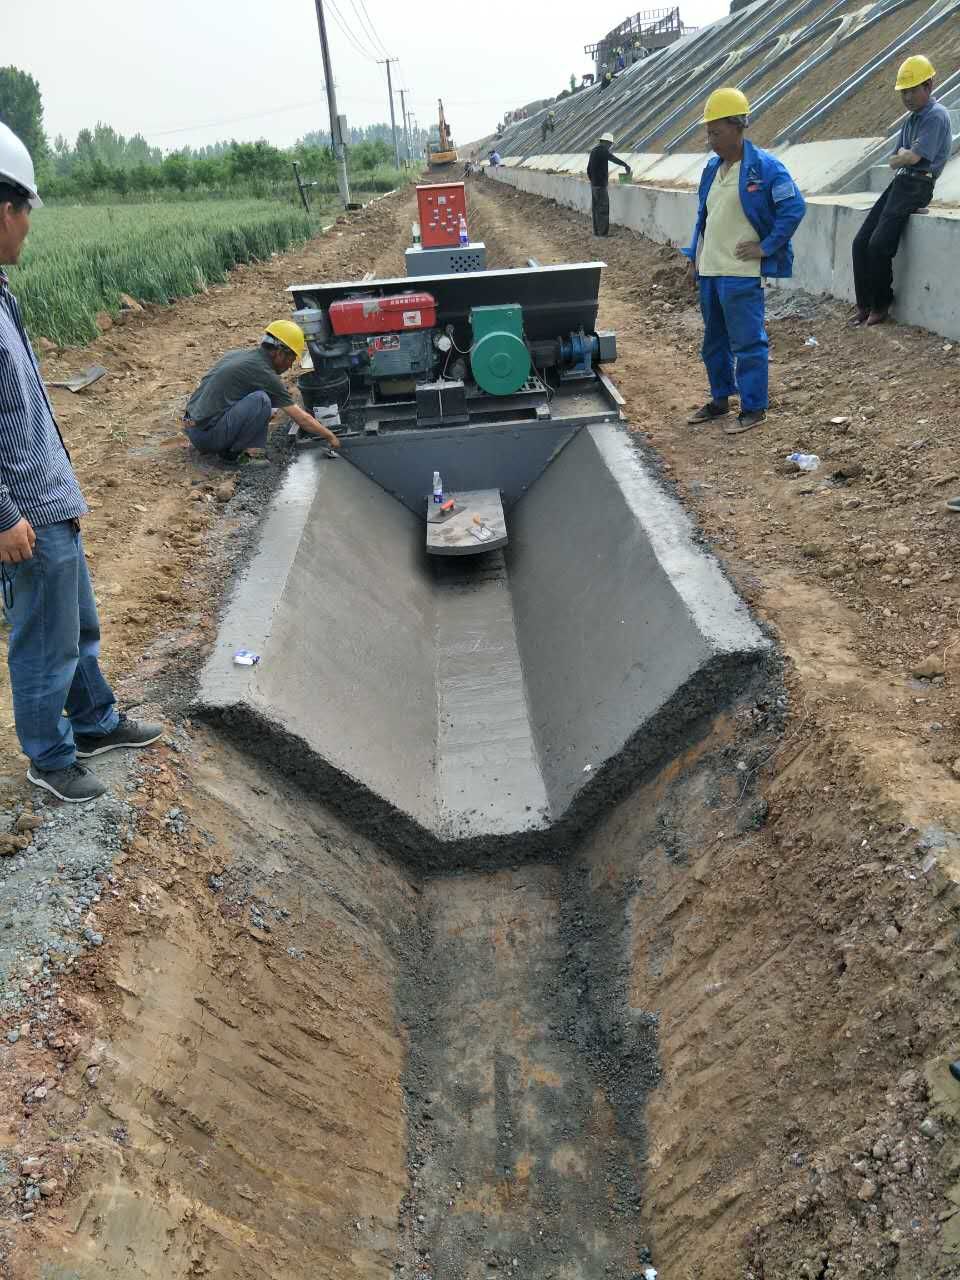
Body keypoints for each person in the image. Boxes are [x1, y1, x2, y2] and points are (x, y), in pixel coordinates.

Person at [0, 123, 162, 803]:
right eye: (26, 209)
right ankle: (49, 757)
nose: (30, 225)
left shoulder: (1, 295)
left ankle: (93, 721)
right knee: (45, 641)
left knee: (76, 625)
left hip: (50, 502)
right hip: (23, 515)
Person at [683, 88, 806, 434]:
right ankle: (720, 399)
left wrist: (766, 247)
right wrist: (694, 257)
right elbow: (703, 217)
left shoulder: (765, 168)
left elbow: (794, 208)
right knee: (714, 342)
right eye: (708, 133)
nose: (711, 140)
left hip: (739, 273)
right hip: (711, 271)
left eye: (716, 132)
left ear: (739, 127)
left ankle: (754, 407)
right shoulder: (712, 169)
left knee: (748, 341)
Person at [851, 55, 952, 328]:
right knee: (860, 242)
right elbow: (895, 159)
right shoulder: (911, 120)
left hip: (918, 184)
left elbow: (914, 159)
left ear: (928, 86)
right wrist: (905, 156)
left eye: (911, 89)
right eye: (903, 91)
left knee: (879, 244)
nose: (906, 96)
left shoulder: (936, 116)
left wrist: (906, 156)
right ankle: (865, 304)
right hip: (902, 182)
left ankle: (881, 304)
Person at [183, 322, 340, 462]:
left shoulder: (239, 355)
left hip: (193, 426)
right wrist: (330, 436)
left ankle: (227, 441)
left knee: (268, 404)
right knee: (262, 400)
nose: (290, 366)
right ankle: (234, 455)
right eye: (291, 360)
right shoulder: (264, 372)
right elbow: (302, 419)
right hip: (206, 437)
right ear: (279, 353)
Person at [587, 132, 632, 237]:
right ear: (606, 142)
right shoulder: (603, 151)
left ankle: (597, 232)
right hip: (600, 186)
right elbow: (613, 158)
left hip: (594, 185)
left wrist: (593, 180)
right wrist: (625, 165)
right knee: (603, 209)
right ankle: (603, 233)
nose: (610, 146)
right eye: (610, 144)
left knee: (596, 209)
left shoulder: (594, 151)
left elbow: (588, 169)